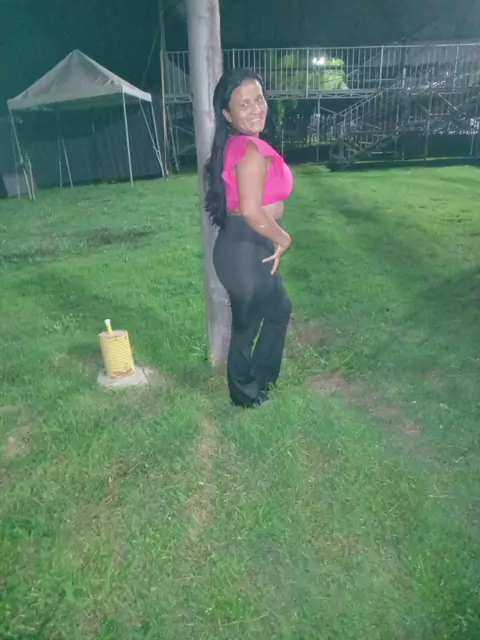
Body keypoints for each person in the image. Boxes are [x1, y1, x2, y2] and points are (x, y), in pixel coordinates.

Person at [204, 67, 294, 408]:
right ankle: (244, 396)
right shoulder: (250, 150)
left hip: (247, 245)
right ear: (228, 115)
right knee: (246, 326)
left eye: (259, 99)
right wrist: (283, 238)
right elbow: (253, 211)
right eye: (245, 104)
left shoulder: (237, 145)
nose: (257, 108)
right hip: (245, 249)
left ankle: (262, 379)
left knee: (279, 308)